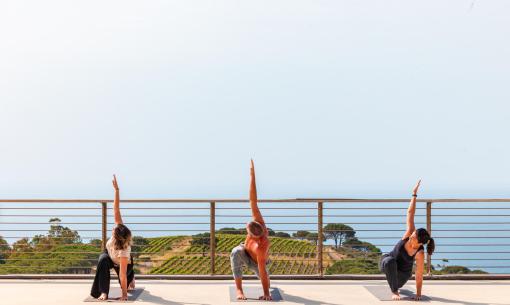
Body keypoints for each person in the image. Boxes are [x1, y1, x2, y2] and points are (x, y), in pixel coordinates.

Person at [380, 180, 435, 301]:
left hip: (402, 274)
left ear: (420, 242)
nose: (411, 236)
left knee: (398, 282)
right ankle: (395, 291)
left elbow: (419, 275)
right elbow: (410, 213)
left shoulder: (420, 253)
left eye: (414, 236)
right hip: (388, 262)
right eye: (412, 234)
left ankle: (396, 286)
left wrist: (418, 294)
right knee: (389, 261)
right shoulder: (409, 233)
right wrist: (414, 194)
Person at [230, 160, 272, 301]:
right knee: (236, 252)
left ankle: (267, 288)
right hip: (245, 252)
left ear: (254, 237)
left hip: (257, 262)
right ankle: (239, 290)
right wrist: (252, 175)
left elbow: (261, 268)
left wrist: (266, 293)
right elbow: (253, 200)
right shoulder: (259, 222)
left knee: (265, 278)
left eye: (247, 230)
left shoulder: (261, 247)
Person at [90, 175, 135, 301]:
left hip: (120, 261)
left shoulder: (124, 253)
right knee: (102, 261)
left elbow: (121, 275)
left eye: (114, 231)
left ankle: (132, 277)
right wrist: (116, 190)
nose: (113, 229)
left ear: (118, 237)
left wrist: (124, 295)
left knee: (125, 277)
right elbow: (116, 209)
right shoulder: (120, 229)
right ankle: (104, 292)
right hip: (109, 254)